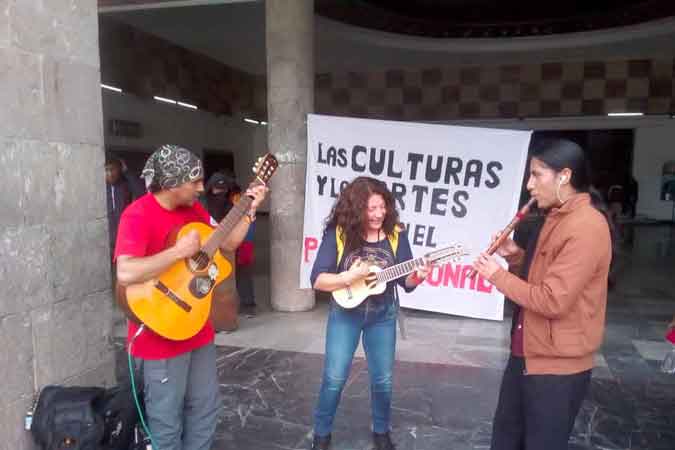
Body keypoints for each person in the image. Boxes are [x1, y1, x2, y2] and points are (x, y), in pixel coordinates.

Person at [114, 145, 268, 450]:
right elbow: (126, 273)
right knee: (166, 421)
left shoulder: (194, 210)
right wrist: (177, 253)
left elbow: (228, 243)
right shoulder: (138, 214)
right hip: (160, 335)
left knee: (205, 409)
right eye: (194, 181)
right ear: (171, 183)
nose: (202, 187)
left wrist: (250, 206)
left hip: (197, 327)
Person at [472, 139, 613, 450]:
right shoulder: (555, 216)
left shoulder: (587, 226)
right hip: (525, 352)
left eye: (537, 175)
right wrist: (513, 256)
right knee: (507, 440)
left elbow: (552, 299)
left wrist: (496, 276)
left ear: (564, 176)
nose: (529, 185)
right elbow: (541, 274)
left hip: (556, 367)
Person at [309, 176, 430, 450]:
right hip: (345, 314)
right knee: (334, 378)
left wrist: (418, 276)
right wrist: (348, 277)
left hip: (383, 315)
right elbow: (317, 279)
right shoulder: (339, 233)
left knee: (383, 379)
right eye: (370, 208)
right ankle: (322, 434)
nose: (378, 214)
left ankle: (381, 431)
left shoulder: (396, 233)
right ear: (356, 209)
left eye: (382, 207)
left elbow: (405, 282)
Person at [105, 156, 145, 258]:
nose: (110, 174)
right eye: (106, 170)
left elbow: (141, 193)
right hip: (107, 236)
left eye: (112, 169)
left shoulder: (126, 184)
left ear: (120, 169)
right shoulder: (100, 186)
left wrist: (127, 172)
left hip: (125, 234)